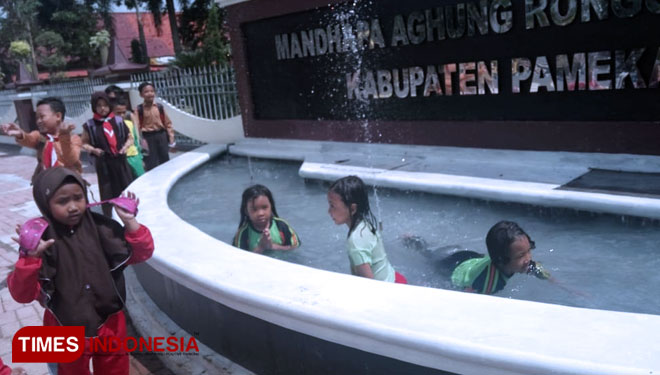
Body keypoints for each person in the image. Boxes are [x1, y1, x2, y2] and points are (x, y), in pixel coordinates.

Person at [7, 167, 154, 375]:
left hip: (109, 323)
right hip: (63, 326)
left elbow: (142, 254)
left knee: (115, 370)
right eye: (62, 201)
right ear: (45, 204)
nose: (73, 207)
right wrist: (30, 259)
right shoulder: (41, 242)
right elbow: (22, 295)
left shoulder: (104, 229)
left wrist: (130, 222)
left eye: (79, 198)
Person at [327, 176, 407, 283]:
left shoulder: (355, 241)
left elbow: (369, 284)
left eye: (332, 206)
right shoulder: (365, 224)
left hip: (390, 289)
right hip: (395, 278)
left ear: (352, 208)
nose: (329, 211)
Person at [450, 221, 551, 295]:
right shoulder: (488, 284)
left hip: (474, 259)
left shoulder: (521, 262)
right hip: (453, 267)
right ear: (501, 260)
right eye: (521, 255)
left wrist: (548, 277)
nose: (528, 259)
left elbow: (536, 268)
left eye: (528, 251)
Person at [1, 97, 82, 182]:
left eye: (42, 116)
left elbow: (71, 159)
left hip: (68, 182)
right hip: (47, 182)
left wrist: (64, 137)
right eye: (37, 118)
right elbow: (29, 139)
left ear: (58, 116)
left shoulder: (73, 138)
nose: (38, 121)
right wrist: (20, 134)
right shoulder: (40, 137)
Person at [81, 92, 134, 217]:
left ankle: (130, 211)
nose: (103, 108)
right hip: (104, 164)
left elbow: (130, 138)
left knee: (126, 187)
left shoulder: (119, 121)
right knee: (107, 191)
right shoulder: (90, 125)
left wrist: (125, 147)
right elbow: (83, 143)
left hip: (120, 162)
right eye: (99, 106)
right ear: (94, 107)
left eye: (105, 105)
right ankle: (111, 217)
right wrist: (94, 150)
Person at [233, 184, 300, 253]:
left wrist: (272, 246)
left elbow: (295, 248)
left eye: (264, 207)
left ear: (271, 207)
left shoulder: (281, 226)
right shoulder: (243, 233)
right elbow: (239, 258)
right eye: (254, 209)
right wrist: (261, 247)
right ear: (246, 211)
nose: (260, 213)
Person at [136, 82, 175, 171]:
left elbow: (168, 124)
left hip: (161, 136)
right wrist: (140, 141)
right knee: (150, 161)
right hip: (147, 137)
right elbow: (137, 127)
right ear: (141, 95)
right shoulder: (139, 110)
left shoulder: (159, 107)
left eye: (152, 91)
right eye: (146, 92)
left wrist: (171, 139)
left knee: (164, 159)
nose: (150, 93)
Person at [113, 97, 145, 178]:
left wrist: (140, 157)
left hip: (134, 156)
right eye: (118, 113)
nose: (122, 115)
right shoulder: (109, 127)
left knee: (141, 178)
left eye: (123, 112)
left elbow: (136, 141)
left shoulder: (129, 123)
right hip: (120, 158)